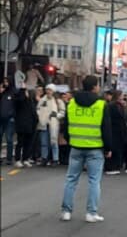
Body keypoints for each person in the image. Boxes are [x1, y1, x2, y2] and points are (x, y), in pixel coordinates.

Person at [61, 75, 112, 222]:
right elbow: (106, 129)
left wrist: (71, 140)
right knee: (94, 181)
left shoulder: (71, 104)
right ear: (95, 87)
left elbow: (66, 126)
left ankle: (66, 211)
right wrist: (108, 148)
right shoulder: (101, 105)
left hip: (76, 146)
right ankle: (91, 213)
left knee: (71, 179)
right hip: (95, 147)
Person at [37, 83, 65, 166]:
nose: (48, 91)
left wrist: (56, 115)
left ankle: (55, 159)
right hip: (44, 123)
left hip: (53, 123)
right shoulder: (43, 100)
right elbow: (38, 109)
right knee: (44, 142)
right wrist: (41, 117)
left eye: (50, 90)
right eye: (47, 90)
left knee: (54, 142)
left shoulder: (57, 101)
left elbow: (62, 112)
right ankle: (44, 158)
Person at [13, 85, 38, 168]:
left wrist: (35, 123)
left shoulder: (31, 101)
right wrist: (22, 89)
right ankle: (17, 160)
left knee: (28, 144)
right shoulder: (20, 101)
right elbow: (19, 99)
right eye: (26, 92)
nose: (27, 93)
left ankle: (25, 159)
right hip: (21, 125)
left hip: (30, 126)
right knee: (20, 143)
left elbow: (34, 113)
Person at [1, 79, 16, 165]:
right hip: (1, 119)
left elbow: (16, 104)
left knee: (9, 139)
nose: (5, 83)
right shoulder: (2, 92)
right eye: (4, 82)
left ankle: (9, 158)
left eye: (7, 82)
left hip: (10, 119)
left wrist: (12, 115)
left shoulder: (13, 92)